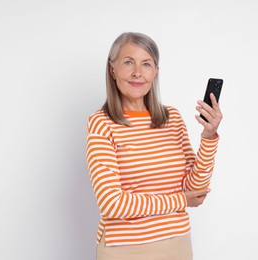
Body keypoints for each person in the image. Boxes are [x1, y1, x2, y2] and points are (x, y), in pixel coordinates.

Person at [86, 32, 222, 260]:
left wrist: (209, 136)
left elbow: (194, 189)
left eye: (146, 64)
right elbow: (112, 204)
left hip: (176, 245)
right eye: (128, 62)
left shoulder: (172, 118)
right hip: (124, 249)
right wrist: (180, 200)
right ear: (113, 70)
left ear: (155, 71)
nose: (137, 72)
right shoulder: (101, 123)